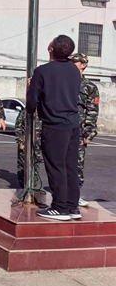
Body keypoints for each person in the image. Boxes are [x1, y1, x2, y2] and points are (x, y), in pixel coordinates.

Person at [27, 35, 82, 221]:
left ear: (51, 49)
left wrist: (33, 87)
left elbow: (32, 102)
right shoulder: (74, 70)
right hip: (73, 123)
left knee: (56, 167)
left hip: (54, 125)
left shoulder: (42, 71)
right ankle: (73, 207)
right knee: (70, 166)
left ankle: (60, 208)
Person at [70, 53, 100, 207]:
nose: (72, 64)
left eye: (75, 62)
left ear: (83, 65)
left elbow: (92, 111)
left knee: (77, 163)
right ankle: (61, 194)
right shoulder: (64, 82)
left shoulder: (90, 87)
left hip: (79, 131)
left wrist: (89, 133)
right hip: (63, 127)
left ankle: (75, 194)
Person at [15, 109, 42, 189]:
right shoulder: (24, 112)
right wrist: (21, 142)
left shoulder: (41, 112)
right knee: (23, 164)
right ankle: (23, 186)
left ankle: (33, 186)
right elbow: (18, 128)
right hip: (25, 142)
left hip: (37, 143)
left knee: (36, 164)